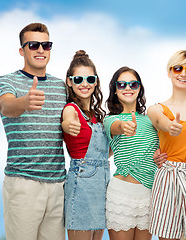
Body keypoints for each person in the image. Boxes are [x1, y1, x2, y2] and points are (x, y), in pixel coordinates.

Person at [0, 23, 66, 240]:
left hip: (59, 185)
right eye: (33, 45)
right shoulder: (7, 82)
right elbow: (6, 106)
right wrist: (24, 102)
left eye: (46, 45)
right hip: (23, 183)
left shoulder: (61, 87)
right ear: (22, 50)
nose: (41, 50)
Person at [147, 50, 186, 240]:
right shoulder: (156, 108)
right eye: (177, 68)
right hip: (169, 177)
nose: (183, 73)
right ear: (169, 72)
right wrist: (170, 126)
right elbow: (159, 122)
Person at [104, 66, 159, 240]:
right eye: (121, 84)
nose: (128, 88)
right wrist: (124, 127)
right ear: (115, 90)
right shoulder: (110, 120)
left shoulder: (152, 120)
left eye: (133, 84)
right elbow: (117, 127)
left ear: (139, 88)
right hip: (122, 194)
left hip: (149, 194)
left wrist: (159, 157)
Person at [62, 50, 110, 240]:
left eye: (90, 79)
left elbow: (105, 153)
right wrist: (68, 125)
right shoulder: (71, 109)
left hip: (102, 183)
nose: (84, 84)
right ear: (69, 81)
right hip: (82, 183)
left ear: (96, 81)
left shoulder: (98, 116)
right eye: (78, 79)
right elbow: (68, 121)